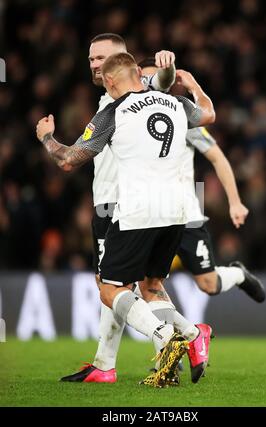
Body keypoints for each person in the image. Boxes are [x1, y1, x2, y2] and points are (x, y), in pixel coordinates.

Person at [36, 52, 216, 387]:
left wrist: (46, 137)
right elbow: (208, 114)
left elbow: (68, 160)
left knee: (109, 289)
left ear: (110, 80)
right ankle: (192, 333)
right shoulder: (174, 103)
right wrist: (193, 85)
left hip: (137, 211)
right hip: (177, 211)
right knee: (152, 284)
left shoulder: (113, 112)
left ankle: (164, 335)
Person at [138, 58, 266, 301]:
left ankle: (237, 274)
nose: (150, 85)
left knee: (208, 283)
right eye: (145, 79)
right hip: (149, 213)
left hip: (186, 215)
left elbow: (218, 158)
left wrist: (235, 202)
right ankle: (174, 336)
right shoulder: (128, 115)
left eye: (156, 79)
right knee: (143, 283)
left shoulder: (179, 117)